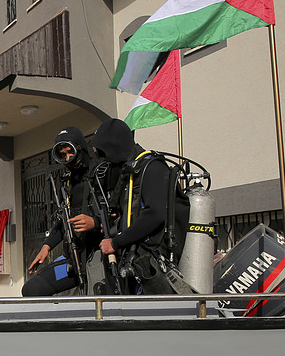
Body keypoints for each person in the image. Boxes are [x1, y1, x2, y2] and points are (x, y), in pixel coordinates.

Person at [93, 118, 182, 294]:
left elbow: (155, 214)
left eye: (104, 152)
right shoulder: (132, 171)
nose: (106, 160)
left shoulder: (152, 168)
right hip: (134, 258)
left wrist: (116, 242)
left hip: (152, 262)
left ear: (113, 147)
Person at [24, 126, 113, 296]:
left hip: (102, 255)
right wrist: (46, 246)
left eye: (70, 152)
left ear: (80, 148)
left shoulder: (102, 173)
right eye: (63, 155)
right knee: (32, 289)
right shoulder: (68, 182)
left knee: (95, 301)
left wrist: (95, 222)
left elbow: (121, 214)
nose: (68, 158)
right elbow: (64, 220)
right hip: (74, 257)